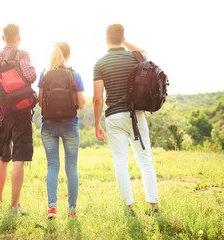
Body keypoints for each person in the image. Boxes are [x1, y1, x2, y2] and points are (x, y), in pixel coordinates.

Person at [92, 24, 159, 216]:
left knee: (120, 162)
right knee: (145, 160)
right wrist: (124, 41)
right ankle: (153, 206)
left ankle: (128, 207)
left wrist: (97, 124)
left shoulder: (100, 63)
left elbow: (97, 98)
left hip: (113, 116)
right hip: (136, 115)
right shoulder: (135, 57)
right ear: (123, 38)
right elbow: (144, 52)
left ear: (106, 40)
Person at [0, 23, 36, 212]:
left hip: (1, 116)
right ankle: (14, 205)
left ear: (3, 38)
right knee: (19, 158)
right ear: (19, 38)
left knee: (3, 158)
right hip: (21, 113)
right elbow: (31, 76)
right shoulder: (22, 55)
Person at [38, 42, 86, 219]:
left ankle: (52, 208)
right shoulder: (75, 75)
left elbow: (40, 102)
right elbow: (81, 104)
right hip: (70, 125)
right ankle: (72, 210)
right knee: (71, 167)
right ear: (68, 55)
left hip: (49, 125)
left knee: (52, 166)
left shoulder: (44, 75)